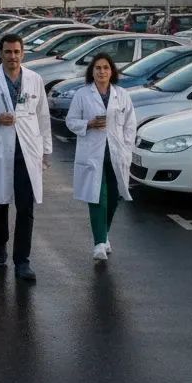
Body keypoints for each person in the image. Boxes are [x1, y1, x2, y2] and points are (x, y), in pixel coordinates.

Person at [0, 34, 52, 282]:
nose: (12, 56)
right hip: (0, 149)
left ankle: (22, 261)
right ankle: (0, 241)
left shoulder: (35, 80)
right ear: (1, 53)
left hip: (27, 153)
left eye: (16, 52)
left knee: (25, 209)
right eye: (8, 52)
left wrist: (46, 150)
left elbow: (43, 117)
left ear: (22, 53)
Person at [65, 52, 137, 262]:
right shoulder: (82, 94)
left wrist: (126, 146)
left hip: (116, 153)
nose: (102, 71)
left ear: (112, 71)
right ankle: (98, 243)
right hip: (92, 153)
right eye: (98, 68)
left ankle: (104, 235)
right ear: (92, 71)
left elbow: (131, 123)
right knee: (97, 197)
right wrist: (87, 124)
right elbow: (71, 121)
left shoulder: (122, 94)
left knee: (114, 198)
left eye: (106, 68)